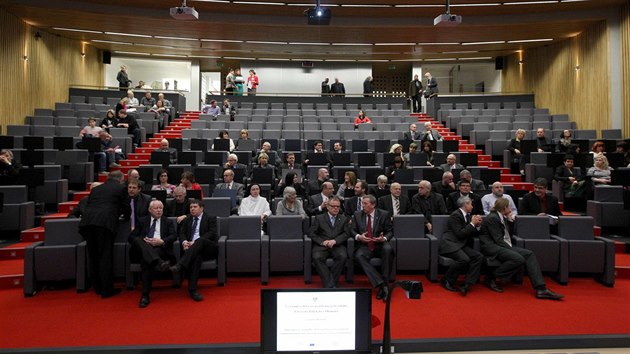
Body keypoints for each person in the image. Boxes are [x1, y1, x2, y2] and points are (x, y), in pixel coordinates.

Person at [479, 198, 564, 300]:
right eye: (509, 206)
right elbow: (498, 240)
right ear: (504, 207)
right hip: (492, 247)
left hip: (502, 245)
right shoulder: (493, 218)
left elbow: (507, 236)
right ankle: (491, 276)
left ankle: (541, 288)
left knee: (529, 254)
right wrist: (511, 249)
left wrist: (510, 221)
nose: (510, 208)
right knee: (519, 258)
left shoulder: (502, 217)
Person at [78, 171, 129, 298]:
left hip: (87, 223)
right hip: (104, 224)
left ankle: (97, 287)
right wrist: (126, 217)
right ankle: (107, 289)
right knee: (105, 255)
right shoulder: (121, 188)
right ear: (121, 179)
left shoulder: (97, 189)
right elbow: (126, 207)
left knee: (93, 255)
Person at [128, 200, 176, 308]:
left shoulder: (167, 221)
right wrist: (143, 241)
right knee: (138, 241)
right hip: (142, 249)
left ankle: (145, 295)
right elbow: (131, 237)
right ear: (150, 210)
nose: (159, 210)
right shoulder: (142, 221)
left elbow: (173, 236)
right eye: (156, 208)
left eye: (161, 208)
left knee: (146, 261)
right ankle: (159, 263)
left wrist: (162, 241)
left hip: (159, 249)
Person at [169, 199, 218, 301]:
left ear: (201, 208)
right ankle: (192, 290)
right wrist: (184, 242)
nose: (192, 209)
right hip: (193, 250)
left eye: (195, 207)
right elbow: (181, 233)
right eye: (191, 207)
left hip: (208, 248)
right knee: (196, 258)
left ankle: (180, 265)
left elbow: (212, 233)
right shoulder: (187, 219)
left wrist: (194, 242)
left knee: (200, 241)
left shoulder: (210, 218)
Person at [351, 194, 394, 301]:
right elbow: (352, 230)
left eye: (365, 204)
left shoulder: (384, 214)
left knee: (388, 249)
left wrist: (383, 238)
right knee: (359, 255)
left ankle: (382, 284)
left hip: (379, 244)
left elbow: (390, 231)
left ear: (373, 205)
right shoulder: (357, 214)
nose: (363, 206)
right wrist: (359, 237)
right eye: (362, 203)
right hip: (365, 244)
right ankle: (383, 285)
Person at [439, 196, 483, 296]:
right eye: (471, 204)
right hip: (450, 244)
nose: (472, 206)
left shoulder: (467, 216)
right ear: (466, 204)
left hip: (460, 244)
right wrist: (472, 224)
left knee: (478, 256)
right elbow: (460, 233)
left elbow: (470, 233)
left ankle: (467, 283)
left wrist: (477, 225)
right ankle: (446, 280)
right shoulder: (455, 215)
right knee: (464, 259)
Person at [308, 196, 350, 288]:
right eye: (333, 206)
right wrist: (323, 242)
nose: (336, 208)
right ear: (327, 207)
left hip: (337, 245)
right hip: (322, 245)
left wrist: (335, 241)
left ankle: (330, 283)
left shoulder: (343, 219)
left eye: (338, 206)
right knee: (316, 257)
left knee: (342, 256)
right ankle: (330, 284)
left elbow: (346, 234)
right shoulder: (319, 218)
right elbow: (311, 233)